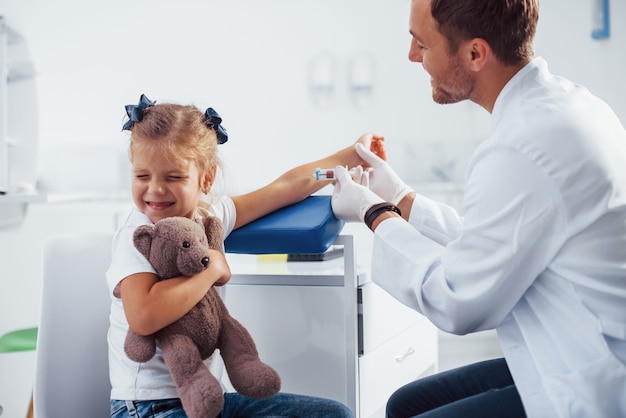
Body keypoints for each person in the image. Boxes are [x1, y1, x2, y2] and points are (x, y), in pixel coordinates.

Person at [330, 0, 626, 417]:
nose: (412, 56)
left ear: (474, 53)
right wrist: (400, 196)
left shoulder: (522, 146)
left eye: (421, 43)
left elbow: (457, 300)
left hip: (594, 384)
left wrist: (375, 214)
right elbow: (496, 240)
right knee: (404, 403)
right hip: (586, 347)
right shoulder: (568, 107)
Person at [107, 94, 372, 418]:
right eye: (142, 176)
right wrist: (209, 270)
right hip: (149, 407)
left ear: (206, 178)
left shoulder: (210, 215)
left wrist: (352, 157)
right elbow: (143, 316)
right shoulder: (137, 232)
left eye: (173, 177)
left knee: (334, 415)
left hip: (210, 401)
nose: (155, 189)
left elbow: (287, 185)